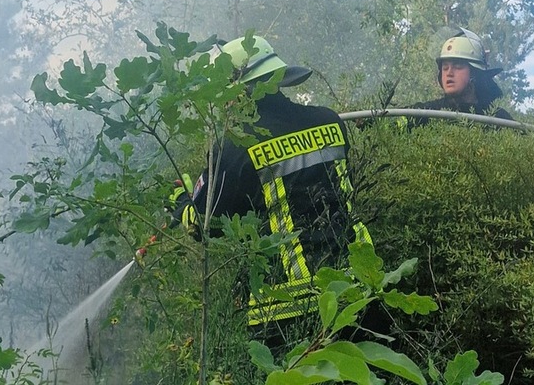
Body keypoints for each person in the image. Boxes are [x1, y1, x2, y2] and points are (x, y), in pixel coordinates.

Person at [171, 35, 371, 349]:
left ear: (236, 91)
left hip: (285, 311)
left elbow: (203, 225)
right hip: (354, 290)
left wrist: (180, 199)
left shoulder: (237, 146)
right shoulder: (330, 122)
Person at [407, 28, 514, 128]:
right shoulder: (427, 113)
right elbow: (396, 122)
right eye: (445, 68)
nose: (449, 73)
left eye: (458, 66)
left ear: (474, 73)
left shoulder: (498, 120)